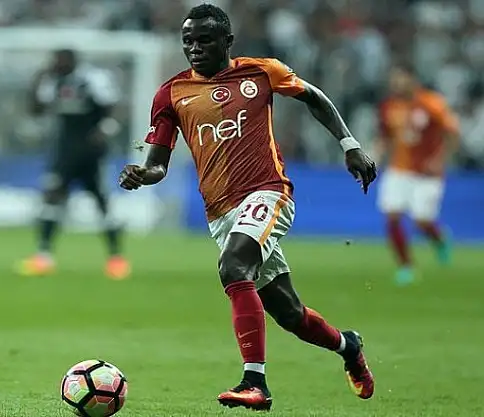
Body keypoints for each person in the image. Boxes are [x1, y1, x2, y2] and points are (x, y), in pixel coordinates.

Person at [118, 4, 377, 411]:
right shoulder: (171, 94)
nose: (195, 48)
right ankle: (349, 346)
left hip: (268, 193)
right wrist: (141, 174)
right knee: (290, 314)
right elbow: (158, 165)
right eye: (188, 41)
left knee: (233, 266)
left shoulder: (262, 71)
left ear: (227, 41)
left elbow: (314, 97)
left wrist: (350, 145)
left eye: (204, 40)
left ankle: (255, 383)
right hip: (221, 214)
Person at [17, 49, 130, 280]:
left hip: (91, 151)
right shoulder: (52, 81)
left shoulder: (93, 79)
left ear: (73, 61)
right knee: (52, 198)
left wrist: (105, 130)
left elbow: (113, 108)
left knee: (101, 201)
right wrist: (36, 82)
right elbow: (36, 111)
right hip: (65, 151)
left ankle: (116, 259)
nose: (56, 64)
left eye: (60, 61)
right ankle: (43, 257)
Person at [375, 64, 459, 286]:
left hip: (426, 174)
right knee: (392, 215)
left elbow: (452, 133)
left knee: (422, 220)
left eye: (400, 78)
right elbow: (384, 136)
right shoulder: (388, 106)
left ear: (412, 79)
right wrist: (373, 158)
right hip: (398, 169)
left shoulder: (432, 103)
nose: (396, 83)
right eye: (394, 79)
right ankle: (406, 266)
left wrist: (439, 160)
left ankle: (439, 238)